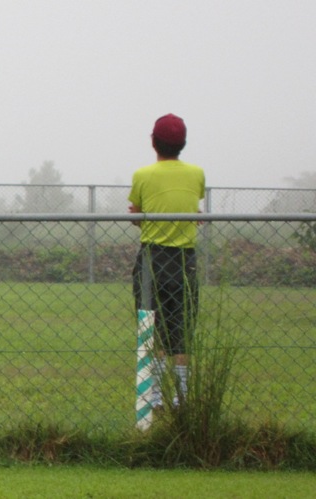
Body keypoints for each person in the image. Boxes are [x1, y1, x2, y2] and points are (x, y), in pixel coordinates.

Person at [128, 113, 205, 411]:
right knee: (181, 328)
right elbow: (190, 205)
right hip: (185, 262)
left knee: (153, 327)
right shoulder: (197, 174)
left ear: (153, 142)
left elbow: (136, 211)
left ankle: (155, 396)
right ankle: (181, 396)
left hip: (153, 258)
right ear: (183, 142)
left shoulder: (143, 175)